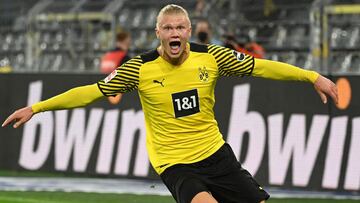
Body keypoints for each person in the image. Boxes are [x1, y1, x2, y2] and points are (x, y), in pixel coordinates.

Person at [2, 4, 338, 203]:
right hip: (174, 163)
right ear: (158, 33)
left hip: (216, 154)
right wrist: (37, 107)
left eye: (180, 26)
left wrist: (311, 77)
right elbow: (91, 91)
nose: (174, 32)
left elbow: (262, 67)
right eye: (167, 27)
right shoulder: (139, 67)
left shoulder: (213, 57)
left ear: (188, 30)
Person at [100, 31, 131, 104]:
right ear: (125, 41)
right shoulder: (124, 57)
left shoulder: (107, 55)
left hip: (102, 89)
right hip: (116, 92)